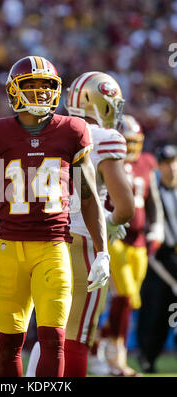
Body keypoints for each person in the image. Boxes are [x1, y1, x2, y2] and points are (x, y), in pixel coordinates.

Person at [0, 56, 110, 377]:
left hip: (54, 248)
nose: (40, 92)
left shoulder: (73, 130)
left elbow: (88, 195)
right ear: (14, 90)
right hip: (9, 248)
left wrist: (102, 251)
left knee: (53, 339)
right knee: (8, 342)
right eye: (31, 84)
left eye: (47, 85)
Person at [25, 71, 134, 377]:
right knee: (76, 335)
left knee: (50, 331)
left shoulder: (50, 130)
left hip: (42, 239)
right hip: (81, 240)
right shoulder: (104, 137)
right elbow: (125, 208)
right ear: (102, 102)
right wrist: (111, 224)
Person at [97, 114, 164, 376]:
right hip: (116, 239)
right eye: (128, 141)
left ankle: (100, 347)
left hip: (138, 243)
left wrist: (156, 227)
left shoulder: (147, 162)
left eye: (136, 141)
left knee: (129, 301)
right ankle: (117, 358)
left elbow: (152, 199)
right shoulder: (108, 160)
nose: (133, 147)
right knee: (124, 297)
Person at [136, 144, 177, 373]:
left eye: (173, 162)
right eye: (165, 163)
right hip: (159, 257)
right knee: (156, 310)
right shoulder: (154, 190)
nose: (171, 168)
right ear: (159, 167)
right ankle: (147, 357)